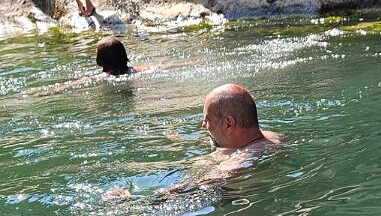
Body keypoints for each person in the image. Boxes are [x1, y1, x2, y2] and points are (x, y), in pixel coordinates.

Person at [106, 84, 283, 200]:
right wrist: (185, 141)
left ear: (229, 124)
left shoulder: (240, 162)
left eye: (207, 120)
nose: (203, 125)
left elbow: (192, 189)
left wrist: (132, 200)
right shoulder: (270, 137)